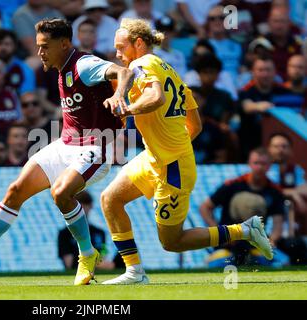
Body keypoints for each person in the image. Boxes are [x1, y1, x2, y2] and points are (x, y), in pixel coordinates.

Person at [0, 18, 134, 286]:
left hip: (96, 148)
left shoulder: (84, 64)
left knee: (60, 193)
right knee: (15, 191)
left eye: (45, 46)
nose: (40, 53)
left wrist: (119, 96)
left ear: (64, 43)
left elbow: (123, 72)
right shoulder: (62, 68)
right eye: (38, 46)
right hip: (66, 145)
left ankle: (87, 254)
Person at [100, 18, 273, 285]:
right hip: (157, 158)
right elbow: (196, 125)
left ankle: (244, 230)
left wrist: (128, 109)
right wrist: (172, 144)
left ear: (138, 43)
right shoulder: (174, 74)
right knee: (110, 199)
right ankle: (134, 272)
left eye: (121, 47)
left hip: (172, 169)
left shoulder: (141, 64)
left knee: (173, 242)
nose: (117, 54)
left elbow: (155, 97)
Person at [200, 148, 285, 267]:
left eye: (263, 164)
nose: (259, 167)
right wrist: (220, 233)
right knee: (215, 265)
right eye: (256, 163)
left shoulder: (275, 191)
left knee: (281, 262)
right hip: (229, 246)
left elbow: (278, 224)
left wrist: (272, 241)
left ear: (269, 166)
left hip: (256, 245)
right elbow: (205, 207)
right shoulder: (232, 185)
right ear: (249, 164)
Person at [58, 190, 124, 270]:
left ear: (91, 206)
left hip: (98, 269)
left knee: (126, 251)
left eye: (85, 204)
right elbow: (70, 264)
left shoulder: (99, 233)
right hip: (80, 269)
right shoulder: (65, 234)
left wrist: (105, 263)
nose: (82, 208)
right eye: (78, 205)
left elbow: (103, 254)